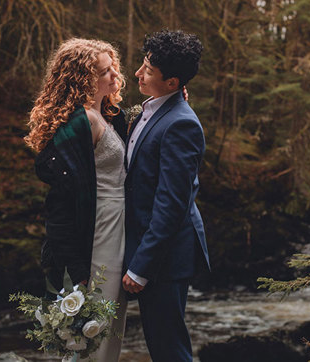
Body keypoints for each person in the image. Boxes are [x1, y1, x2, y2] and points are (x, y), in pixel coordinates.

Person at [24, 38, 128, 362]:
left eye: (113, 68)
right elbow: (63, 200)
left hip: (116, 224)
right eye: (104, 71)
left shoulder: (105, 113)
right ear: (83, 79)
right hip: (98, 231)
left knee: (112, 322)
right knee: (95, 323)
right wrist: (76, 265)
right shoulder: (79, 122)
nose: (115, 77)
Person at [122, 30, 210, 362]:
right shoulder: (156, 108)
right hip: (149, 246)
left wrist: (142, 267)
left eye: (147, 70)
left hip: (165, 257)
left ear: (172, 82)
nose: (137, 74)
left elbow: (172, 204)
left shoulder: (181, 125)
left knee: (169, 349)